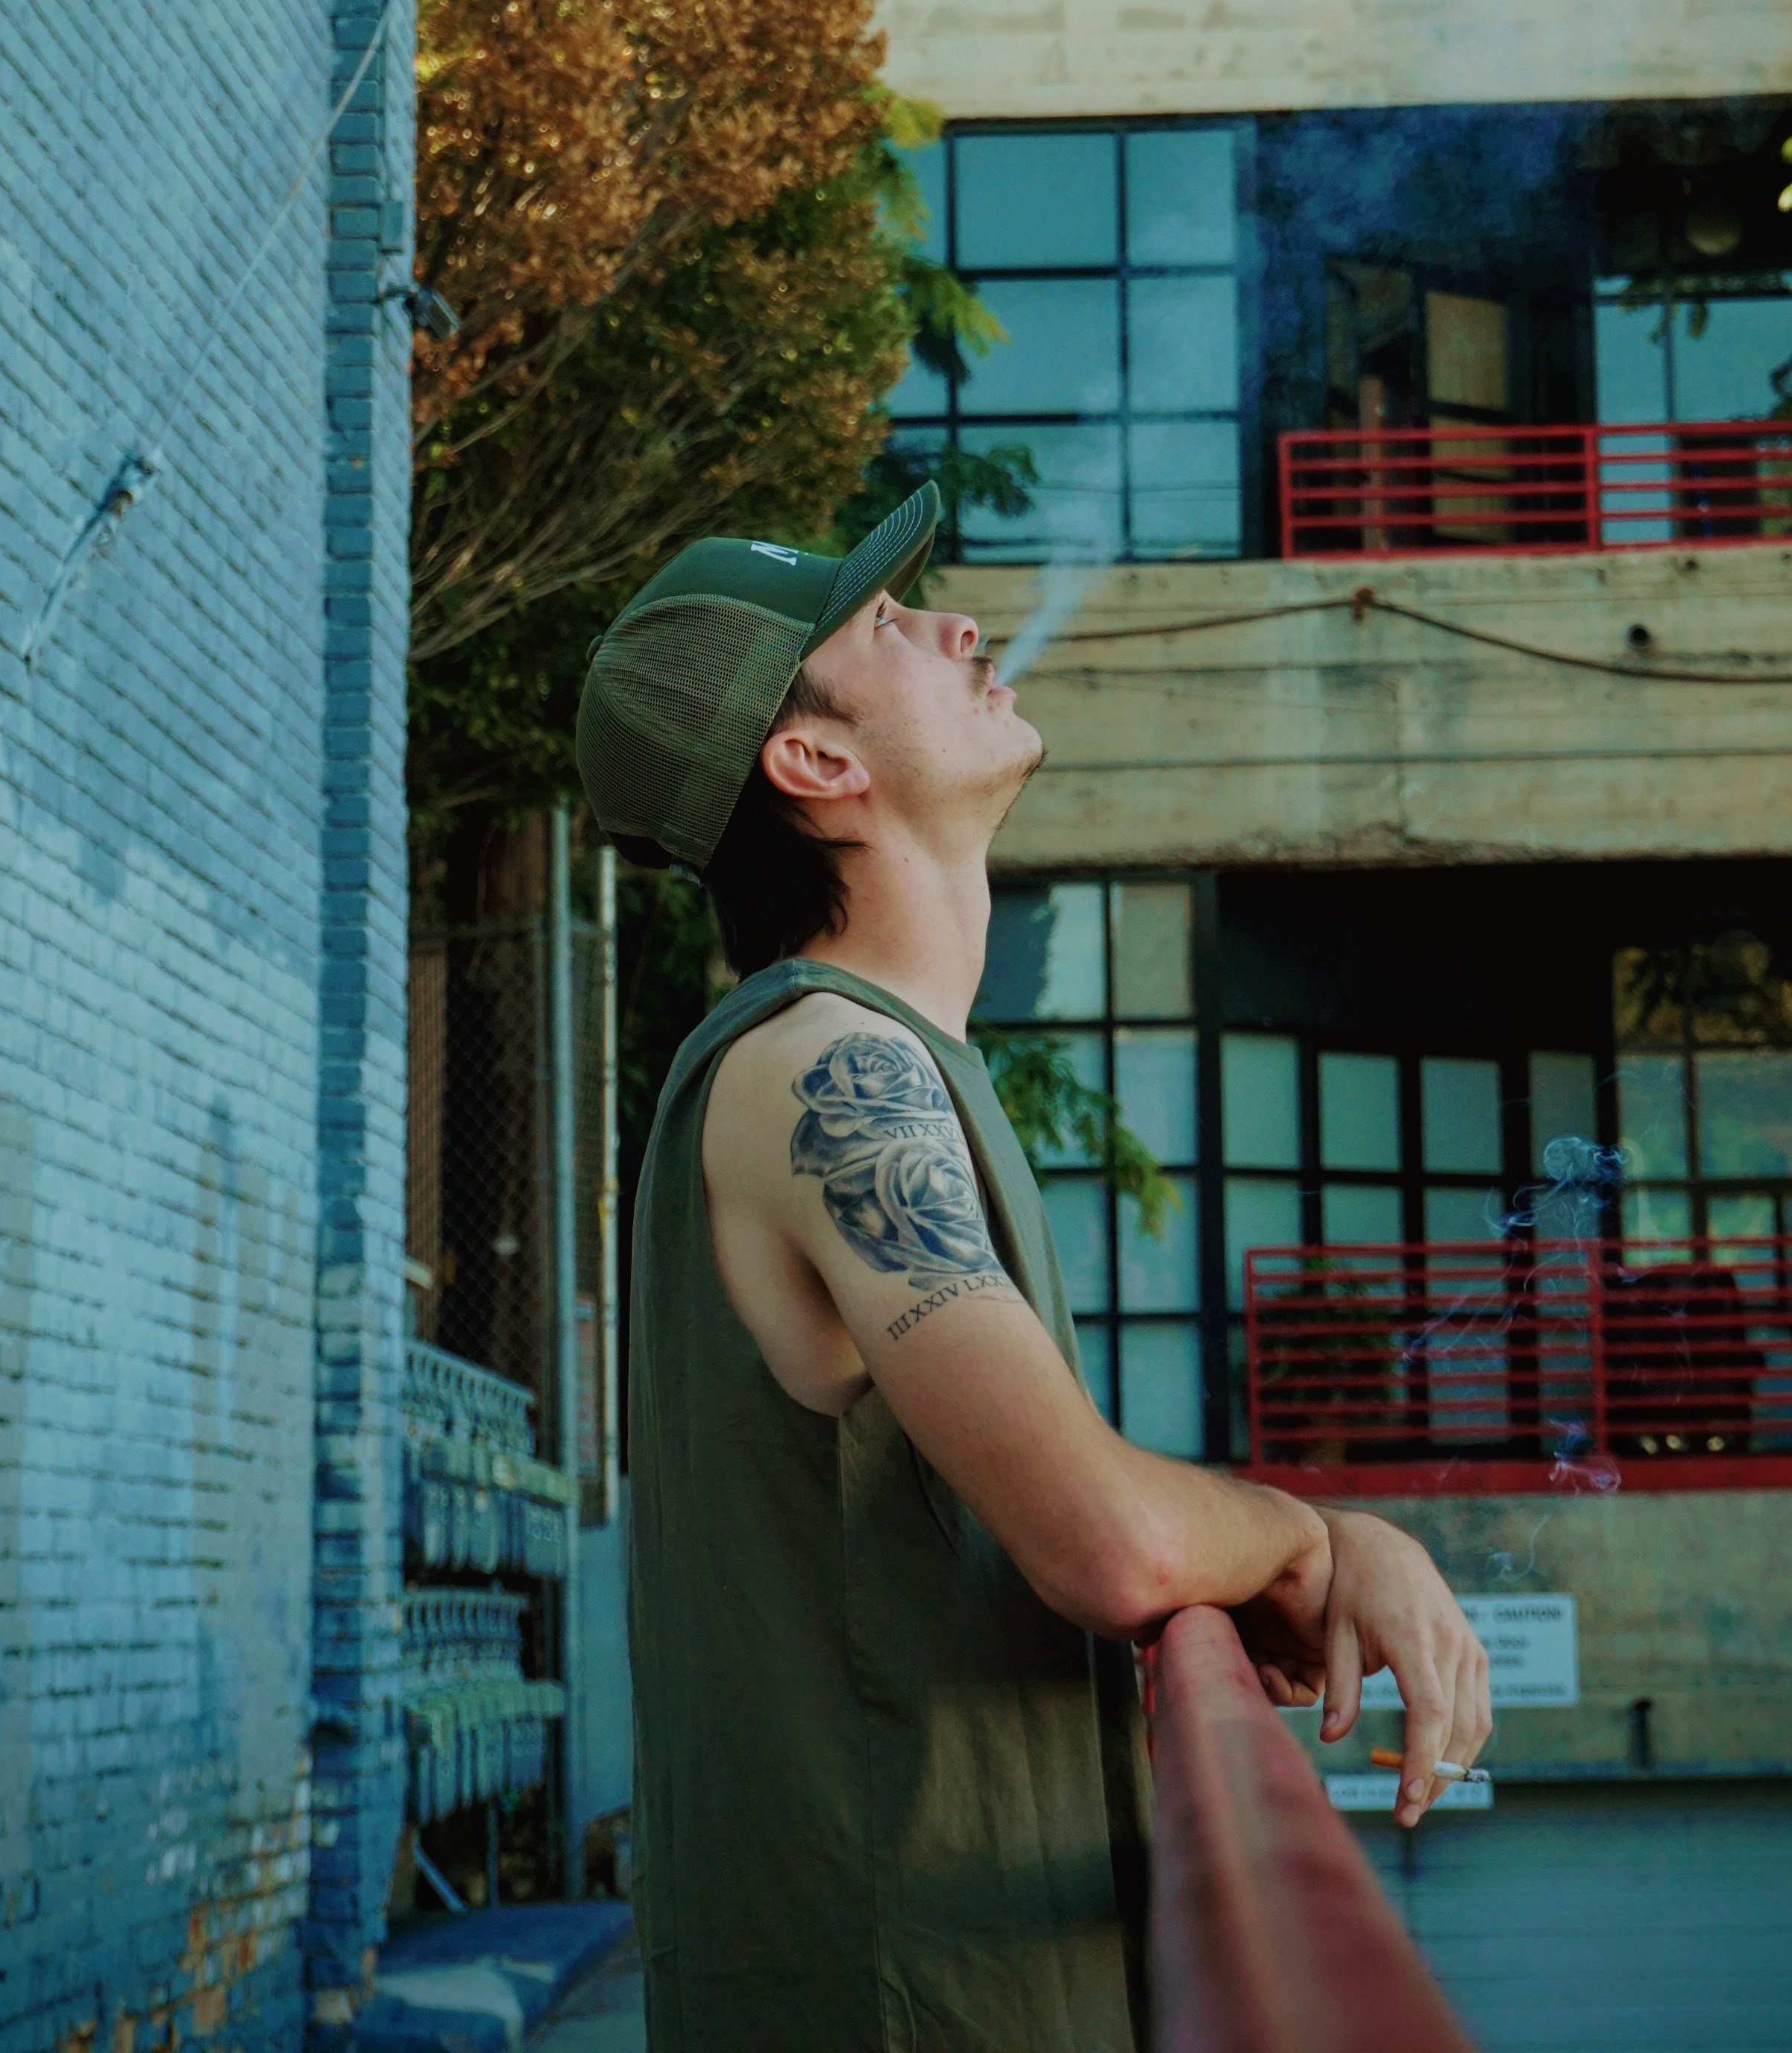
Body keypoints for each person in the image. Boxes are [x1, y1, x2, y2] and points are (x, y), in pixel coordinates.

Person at [575, 480, 1490, 2053]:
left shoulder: (869, 1061)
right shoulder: (827, 1068)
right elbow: (1110, 1547)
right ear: (816, 763)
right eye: (887, 624)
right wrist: (1316, 1542)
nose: (961, 623)